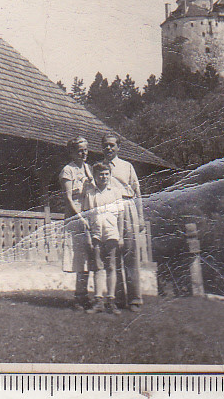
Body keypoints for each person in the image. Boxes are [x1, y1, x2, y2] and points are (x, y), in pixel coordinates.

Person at [102, 132, 145, 311]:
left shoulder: (127, 166)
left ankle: (135, 299)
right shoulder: (98, 167)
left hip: (127, 209)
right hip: (109, 211)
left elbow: (137, 191)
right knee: (113, 256)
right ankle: (118, 299)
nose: (109, 148)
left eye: (112, 145)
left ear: (118, 147)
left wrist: (141, 217)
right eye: (106, 145)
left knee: (130, 254)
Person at [83, 162, 124, 315]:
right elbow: (86, 217)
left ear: (110, 175)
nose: (104, 177)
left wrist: (119, 236)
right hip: (96, 233)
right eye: (100, 174)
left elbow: (120, 216)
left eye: (106, 174)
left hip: (112, 233)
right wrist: (88, 236)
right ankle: (99, 300)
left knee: (111, 266)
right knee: (98, 267)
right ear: (95, 176)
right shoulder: (90, 193)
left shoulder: (115, 192)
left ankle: (111, 301)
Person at [59, 136, 93, 310]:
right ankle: (79, 297)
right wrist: (80, 216)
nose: (84, 153)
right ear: (72, 152)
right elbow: (68, 198)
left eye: (86, 149)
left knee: (89, 256)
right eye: (80, 150)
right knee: (79, 256)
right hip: (76, 216)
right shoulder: (68, 171)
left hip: (90, 214)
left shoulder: (88, 169)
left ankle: (85, 294)